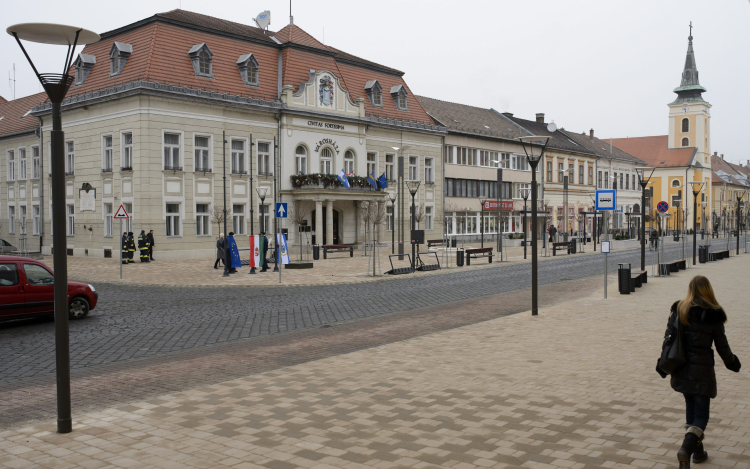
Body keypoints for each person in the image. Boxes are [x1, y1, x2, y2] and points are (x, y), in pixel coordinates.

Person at [657, 276, 741, 467]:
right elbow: (722, 346)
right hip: (702, 371)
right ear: (708, 290)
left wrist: (661, 363)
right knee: (701, 415)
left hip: (682, 368)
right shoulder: (713, 315)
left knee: (691, 409)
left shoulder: (680, 310)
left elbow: (668, 339)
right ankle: (686, 450)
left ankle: (698, 452)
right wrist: (732, 362)